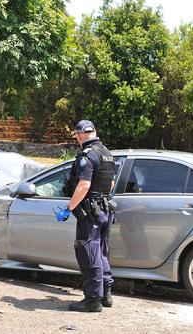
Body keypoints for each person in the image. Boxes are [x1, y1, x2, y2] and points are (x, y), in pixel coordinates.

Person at [62, 120, 117, 313]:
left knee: (88, 251)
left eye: (76, 135)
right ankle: (106, 295)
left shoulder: (88, 155)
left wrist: (69, 208)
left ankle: (93, 300)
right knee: (101, 251)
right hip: (105, 210)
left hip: (90, 213)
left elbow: (84, 185)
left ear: (80, 134)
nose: (76, 139)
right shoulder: (107, 153)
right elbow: (110, 184)